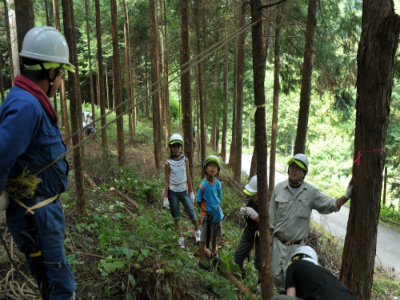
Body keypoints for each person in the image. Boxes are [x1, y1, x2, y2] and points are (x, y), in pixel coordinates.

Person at [0, 26, 76, 299]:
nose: (61, 80)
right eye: (62, 73)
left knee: (51, 283)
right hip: (36, 217)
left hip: (39, 212)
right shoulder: (27, 106)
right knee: (60, 288)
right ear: (51, 72)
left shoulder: (27, 100)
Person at [269, 153, 353, 293]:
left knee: (295, 279)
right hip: (277, 243)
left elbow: (329, 205)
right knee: (277, 277)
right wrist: (268, 243)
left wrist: (346, 196)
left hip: (296, 247)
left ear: (304, 173)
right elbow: (271, 219)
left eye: (298, 168)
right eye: (292, 167)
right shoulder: (279, 189)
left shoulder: (311, 192)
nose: (293, 170)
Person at [271, 246, 355, 300]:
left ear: (296, 258)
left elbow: (290, 297)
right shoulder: (324, 272)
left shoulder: (293, 266)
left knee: (277, 298)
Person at [164, 133, 201, 249]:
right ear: (171, 148)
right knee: (176, 215)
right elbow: (166, 181)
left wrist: (191, 191)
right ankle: (180, 238)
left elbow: (188, 177)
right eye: (174, 147)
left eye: (178, 146)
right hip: (173, 192)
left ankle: (198, 232)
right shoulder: (167, 163)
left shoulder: (185, 160)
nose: (176, 149)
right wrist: (165, 197)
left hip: (183, 192)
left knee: (191, 212)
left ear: (181, 147)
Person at [234, 175, 262, 291]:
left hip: (260, 236)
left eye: (254, 193)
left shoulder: (267, 204)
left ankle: (259, 284)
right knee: (238, 256)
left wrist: (256, 215)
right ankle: (243, 271)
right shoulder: (251, 201)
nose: (252, 196)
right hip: (249, 232)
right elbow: (247, 218)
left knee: (260, 262)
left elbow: (266, 223)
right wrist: (245, 213)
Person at [197, 155, 224, 270]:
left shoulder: (218, 184)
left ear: (218, 170)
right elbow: (199, 201)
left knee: (215, 235)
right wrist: (206, 210)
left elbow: (219, 197)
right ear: (205, 168)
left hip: (217, 214)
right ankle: (202, 262)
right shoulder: (203, 186)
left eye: (215, 166)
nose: (212, 168)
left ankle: (214, 253)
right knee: (203, 239)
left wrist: (215, 208)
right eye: (210, 166)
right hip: (207, 216)